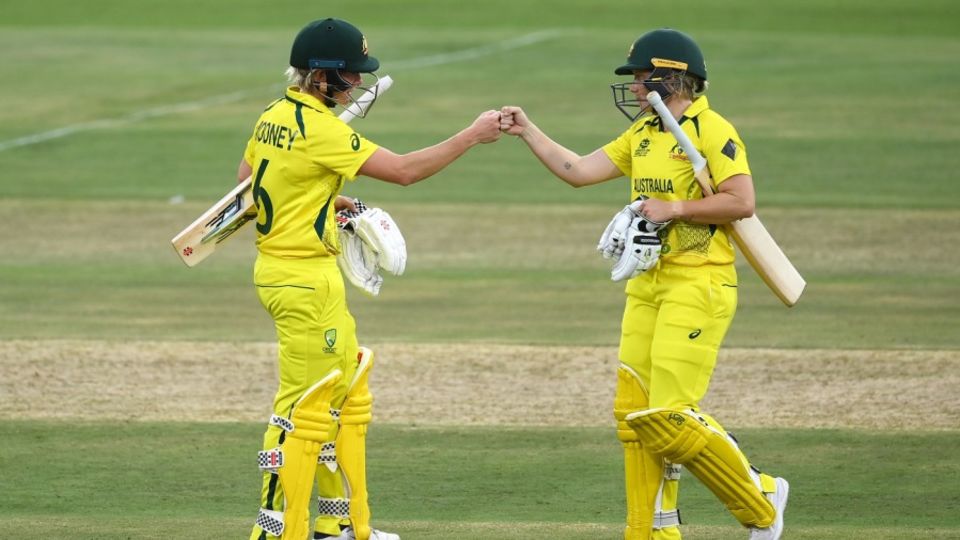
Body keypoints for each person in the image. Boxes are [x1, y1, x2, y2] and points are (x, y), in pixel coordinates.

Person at [500, 28, 788, 540]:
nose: (633, 88)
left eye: (639, 78)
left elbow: (741, 202)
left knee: (671, 416)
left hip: (699, 284)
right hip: (646, 283)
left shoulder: (712, 130)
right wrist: (529, 131)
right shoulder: (646, 133)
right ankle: (651, 532)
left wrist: (676, 208)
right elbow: (580, 170)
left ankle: (761, 496)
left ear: (670, 78)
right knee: (634, 417)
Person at [238, 17, 501, 540]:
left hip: (300, 274)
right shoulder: (323, 130)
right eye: (350, 76)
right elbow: (404, 171)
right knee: (300, 410)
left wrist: (323, 201)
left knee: (341, 398)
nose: (357, 84)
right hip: (303, 282)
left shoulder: (273, 115)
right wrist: (472, 135)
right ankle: (271, 532)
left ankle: (336, 527)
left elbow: (250, 185)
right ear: (319, 77)